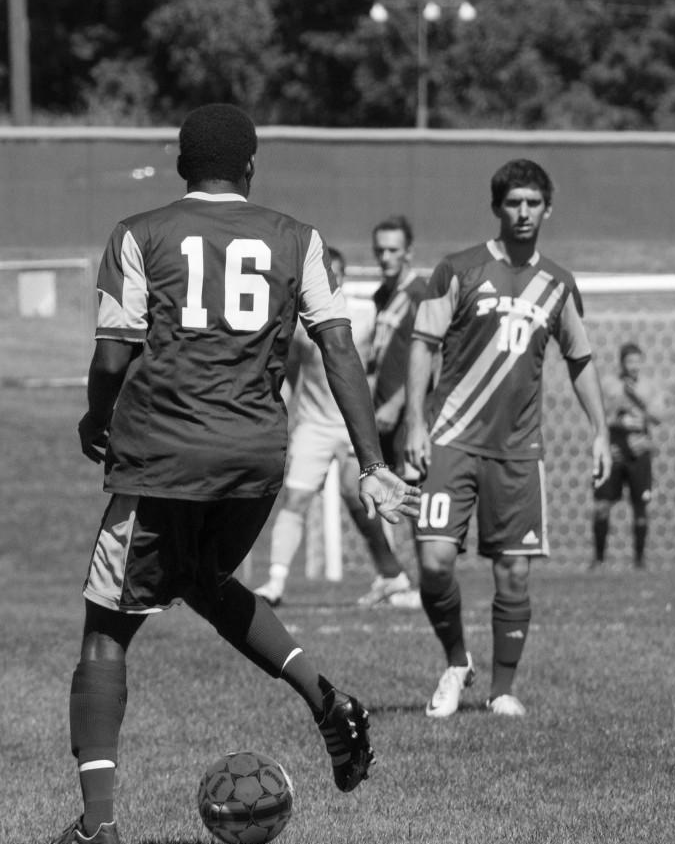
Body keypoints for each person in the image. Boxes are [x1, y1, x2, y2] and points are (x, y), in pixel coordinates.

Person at [42, 104, 420, 844]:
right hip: (254, 460)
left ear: (183, 164)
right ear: (251, 166)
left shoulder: (139, 233)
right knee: (205, 581)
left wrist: (94, 418)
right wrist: (373, 464)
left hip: (164, 458)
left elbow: (114, 357)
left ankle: (97, 828)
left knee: (106, 631)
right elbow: (339, 351)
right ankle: (326, 697)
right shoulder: (299, 238)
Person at [404, 158, 611, 719]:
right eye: (513, 203)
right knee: (435, 561)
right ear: (497, 208)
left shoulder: (560, 286)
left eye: (533, 203)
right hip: (450, 438)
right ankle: (455, 661)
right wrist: (417, 424)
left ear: (548, 208)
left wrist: (600, 432)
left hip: (519, 450)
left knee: (514, 571)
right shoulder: (457, 270)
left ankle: (501, 691)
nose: (523, 212)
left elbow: (582, 360)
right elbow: (423, 343)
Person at [254, 248, 417, 607]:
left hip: (351, 427)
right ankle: (276, 583)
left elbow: (373, 367)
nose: (333, 279)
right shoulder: (298, 327)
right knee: (295, 500)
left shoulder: (366, 315)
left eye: (337, 273)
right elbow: (292, 373)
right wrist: (276, 411)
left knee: (360, 500)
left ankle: (392, 575)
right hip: (313, 426)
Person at [358, 215, 428, 607]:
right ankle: (392, 578)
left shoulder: (419, 294)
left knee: (414, 499)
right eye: (379, 250)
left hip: (409, 419)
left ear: (408, 253)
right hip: (380, 417)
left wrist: (397, 403)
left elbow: (430, 357)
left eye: (392, 250)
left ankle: (426, 584)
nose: (385, 257)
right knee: (379, 498)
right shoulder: (381, 296)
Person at [591, 342, 664, 569]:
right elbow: (599, 413)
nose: (633, 366)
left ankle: (639, 561)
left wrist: (640, 403)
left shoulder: (649, 387)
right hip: (614, 450)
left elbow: (658, 416)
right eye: (629, 361)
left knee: (640, 505)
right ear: (621, 362)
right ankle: (599, 559)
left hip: (639, 451)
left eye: (637, 361)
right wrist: (617, 421)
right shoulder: (610, 385)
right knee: (602, 503)